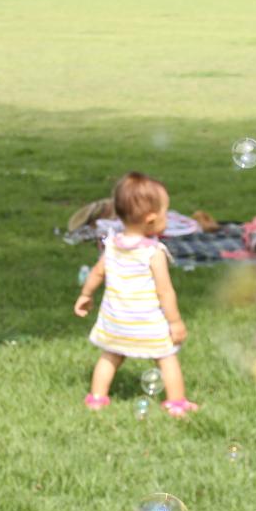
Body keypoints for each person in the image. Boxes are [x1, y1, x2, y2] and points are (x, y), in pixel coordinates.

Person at [75, 171, 196, 414]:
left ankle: (97, 399)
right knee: (166, 358)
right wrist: (175, 322)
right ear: (151, 220)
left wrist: (85, 296)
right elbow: (165, 291)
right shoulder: (154, 252)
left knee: (110, 356)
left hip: (116, 319)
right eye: (166, 213)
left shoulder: (111, 244)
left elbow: (98, 273)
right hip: (146, 321)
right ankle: (176, 403)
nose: (168, 218)